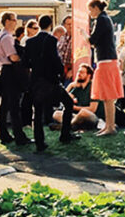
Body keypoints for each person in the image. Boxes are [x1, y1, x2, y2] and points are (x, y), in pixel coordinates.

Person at [23, 15, 77, 152]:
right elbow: (55, 59)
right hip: (50, 81)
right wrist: (60, 72)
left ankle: (39, 143)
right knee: (68, 104)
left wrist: (36, 66)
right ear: (50, 25)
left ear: (39, 25)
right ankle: (65, 134)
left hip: (36, 81)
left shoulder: (30, 42)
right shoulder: (51, 40)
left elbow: (25, 62)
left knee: (38, 111)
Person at [0, 11, 30, 145]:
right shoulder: (7, 37)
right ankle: (18, 135)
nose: (16, 22)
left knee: (4, 104)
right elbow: (13, 57)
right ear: (8, 21)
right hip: (9, 71)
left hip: (2, 70)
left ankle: (3, 133)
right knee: (14, 105)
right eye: (14, 20)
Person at [88, 0, 123, 136]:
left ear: (96, 7)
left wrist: (84, 34)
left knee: (107, 96)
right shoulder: (106, 19)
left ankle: (110, 127)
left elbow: (92, 40)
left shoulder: (101, 20)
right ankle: (109, 125)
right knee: (106, 97)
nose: (90, 13)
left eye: (90, 9)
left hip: (106, 61)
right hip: (108, 61)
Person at [53, 64, 104, 130]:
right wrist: (70, 85)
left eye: (82, 72)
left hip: (93, 117)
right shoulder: (77, 86)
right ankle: (73, 125)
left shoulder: (93, 87)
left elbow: (92, 109)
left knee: (83, 112)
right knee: (56, 114)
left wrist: (74, 107)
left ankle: (68, 126)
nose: (79, 74)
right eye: (78, 72)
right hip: (77, 116)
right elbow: (63, 99)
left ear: (89, 75)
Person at [57, 16, 73, 81]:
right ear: (64, 25)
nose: (71, 26)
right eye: (69, 24)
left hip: (71, 72)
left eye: (72, 24)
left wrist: (72, 70)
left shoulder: (78, 38)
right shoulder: (62, 38)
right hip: (62, 71)